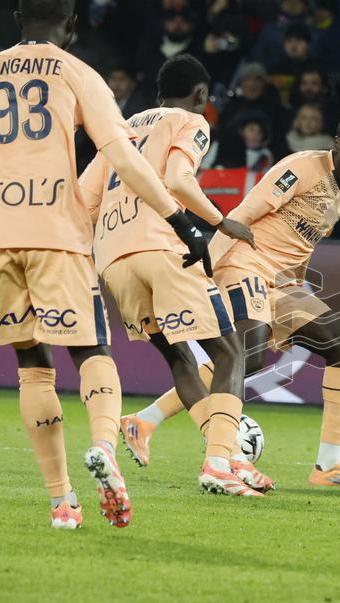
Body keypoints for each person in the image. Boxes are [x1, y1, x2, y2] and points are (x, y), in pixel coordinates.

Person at [0, 0, 201, 529]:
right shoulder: (77, 72)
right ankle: (103, 447)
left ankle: (61, 500)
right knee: (91, 349)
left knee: (31, 363)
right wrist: (178, 218)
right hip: (54, 232)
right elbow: (121, 154)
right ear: (71, 25)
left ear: (17, 21)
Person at [118, 111, 340, 489]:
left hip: (279, 282)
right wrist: (207, 269)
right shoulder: (302, 168)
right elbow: (241, 214)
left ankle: (329, 466)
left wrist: (298, 287)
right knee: (248, 355)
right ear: (337, 144)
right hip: (244, 264)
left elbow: (303, 244)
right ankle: (157, 425)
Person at [80, 55, 264, 498]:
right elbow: (179, 180)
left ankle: (225, 456)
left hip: (114, 260)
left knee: (181, 358)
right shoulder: (189, 121)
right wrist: (221, 221)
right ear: (201, 95)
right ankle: (220, 462)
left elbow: (84, 201)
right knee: (230, 352)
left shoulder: (120, 128)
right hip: (161, 247)